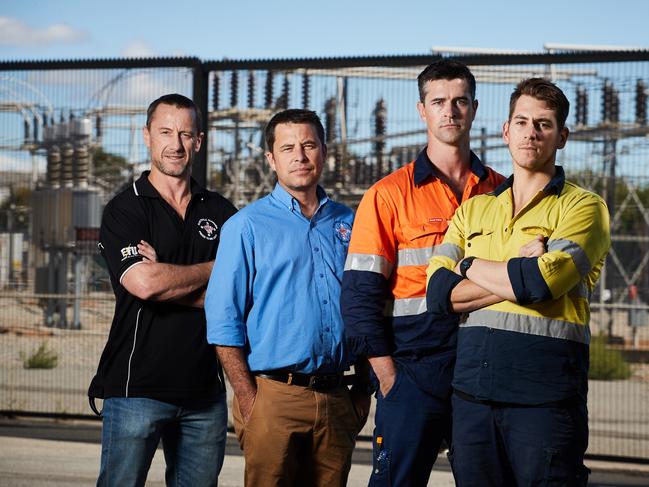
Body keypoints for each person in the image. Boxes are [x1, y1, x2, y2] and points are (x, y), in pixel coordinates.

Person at [426, 78, 611, 486]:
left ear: (562, 136)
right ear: (506, 131)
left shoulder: (584, 208)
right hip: (472, 398)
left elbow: (541, 285)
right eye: (522, 122)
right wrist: (512, 269)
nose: (531, 133)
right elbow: (438, 294)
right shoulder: (474, 210)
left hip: (544, 401)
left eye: (543, 124)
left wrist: (467, 264)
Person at [340, 59, 504, 486]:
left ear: (474, 107)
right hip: (413, 371)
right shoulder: (388, 195)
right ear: (422, 110)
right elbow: (360, 297)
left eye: (459, 101)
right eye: (438, 102)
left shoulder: (504, 191)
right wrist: (388, 377)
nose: (449, 111)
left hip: (485, 366)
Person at [204, 108, 370, 487]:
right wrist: (249, 399)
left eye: (309, 145)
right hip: (274, 396)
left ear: (324, 152)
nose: (300, 155)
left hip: (337, 397)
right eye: (288, 147)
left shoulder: (350, 223)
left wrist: (362, 387)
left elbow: (366, 306)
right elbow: (222, 319)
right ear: (271, 158)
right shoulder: (246, 227)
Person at [88, 93, 237, 487]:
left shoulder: (222, 212)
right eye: (166, 132)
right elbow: (144, 283)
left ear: (199, 141)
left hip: (205, 394)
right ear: (147, 136)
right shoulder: (126, 209)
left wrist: (168, 278)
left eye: (186, 134)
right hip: (136, 388)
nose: (176, 144)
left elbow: (242, 292)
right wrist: (216, 272)